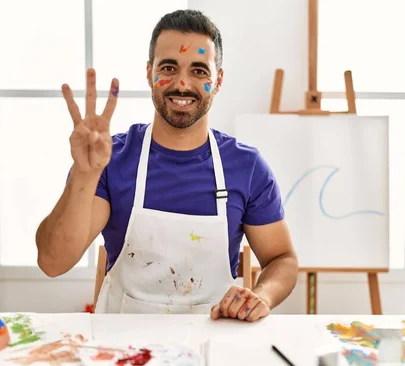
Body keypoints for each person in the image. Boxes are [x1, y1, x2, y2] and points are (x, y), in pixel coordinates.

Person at [35, 9, 298, 321]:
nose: (182, 84)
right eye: (169, 68)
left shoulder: (246, 167)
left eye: (199, 71)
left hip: (213, 344)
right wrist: (84, 173)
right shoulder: (110, 159)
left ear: (218, 81)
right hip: (123, 349)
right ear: (149, 73)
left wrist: (262, 295)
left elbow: (282, 258)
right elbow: (53, 263)